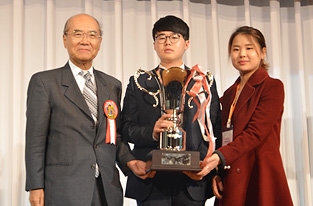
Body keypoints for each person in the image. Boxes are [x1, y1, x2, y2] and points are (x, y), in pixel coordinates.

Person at [25, 13, 148, 206]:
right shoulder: (44, 82)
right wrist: (35, 186)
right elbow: (35, 140)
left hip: (107, 189)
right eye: (77, 34)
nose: (85, 41)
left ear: (99, 41)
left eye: (92, 35)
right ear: (65, 39)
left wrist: (130, 162)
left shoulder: (112, 85)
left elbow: (113, 137)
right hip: (64, 189)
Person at [121, 15, 221, 206]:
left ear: (187, 43)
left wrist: (212, 169)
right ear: (154, 44)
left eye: (175, 37)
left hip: (193, 179)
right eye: (161, 37)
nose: (168, 41)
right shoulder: (139, 82)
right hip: (150, 178)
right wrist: (151, 131)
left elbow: (214, 128)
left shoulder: (204, 82)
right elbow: (125, 128)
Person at [203, 26, 293, 205]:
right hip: (230, 174)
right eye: (236, 49)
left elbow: (255, 133)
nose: (242, 54)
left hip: (259, 173)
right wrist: (217, 173)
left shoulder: (272, 87)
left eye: (249, 48)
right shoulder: (228, 94)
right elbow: (220, 136)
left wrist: (219, 157)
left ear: (263, 52)